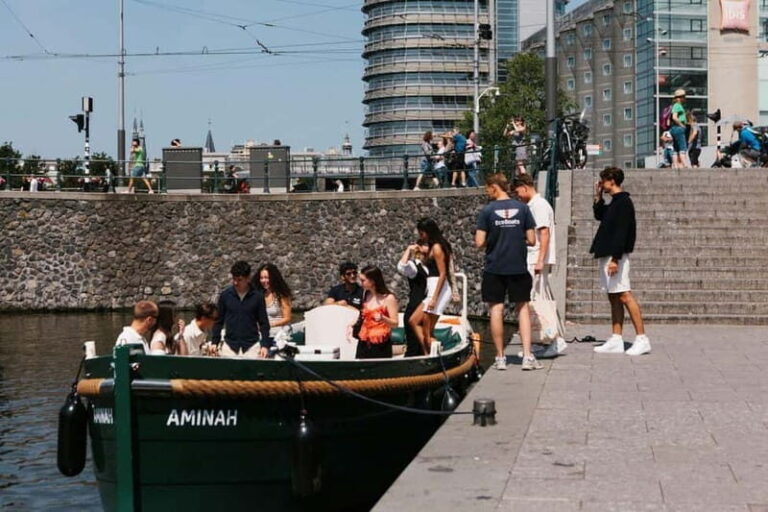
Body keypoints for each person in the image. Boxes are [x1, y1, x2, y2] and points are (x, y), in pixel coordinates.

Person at [475, 173, 539, 371]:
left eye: (487, 189)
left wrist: (494, 238)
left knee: (496, 309)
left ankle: (500, 358)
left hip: (494, 266)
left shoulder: (487, 211)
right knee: (523, 308)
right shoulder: (523, 208)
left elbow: (479, 242)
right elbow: (532, 240)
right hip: (517, 266)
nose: (487, 192)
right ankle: (527, 356)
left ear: (494, 187)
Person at [590, 167, 650, 356]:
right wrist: (598, 196)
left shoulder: (623, 202)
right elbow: (599, 215)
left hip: (615, 255)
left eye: (603, 181)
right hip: (607, 253)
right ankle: (616, 338)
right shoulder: (615, 202)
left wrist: (615, 259)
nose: (601, 184)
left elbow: (622, 233)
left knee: (624, 294)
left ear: (612, 180)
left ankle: (642, 338)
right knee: (613, 296)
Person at [513, 174, 566, 357]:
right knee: (536, 299)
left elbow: (544, 233)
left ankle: (554, 339)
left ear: (525, 187)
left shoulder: (539, 206)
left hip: (535, 258)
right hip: (534, 258)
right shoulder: (535, 205)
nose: (518, 196)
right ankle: (542, 340)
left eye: (518, 192)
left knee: (538, 300)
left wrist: (540, 259)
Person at [409, 218, 452, 355]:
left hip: (438, 289)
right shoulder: (433, 247)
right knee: (413, 321)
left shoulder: (438, 248)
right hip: (432, 287)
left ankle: (431, 355)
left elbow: (443, 273)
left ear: (428, 232)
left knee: (427, 331)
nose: (420, 236)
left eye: (422, 233)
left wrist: (434, 298)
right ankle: (427, 352)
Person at [212, 261, 272, 358]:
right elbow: (218, 321)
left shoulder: (258, 297)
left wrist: (265, 345)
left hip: (252, 347)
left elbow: (264, 323)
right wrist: (215, 342)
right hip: (229, 347)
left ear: (248, 278)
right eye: (234, 279)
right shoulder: (225, 296)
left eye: (239, 280)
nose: (235, 283)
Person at [355, 265, 398, 359]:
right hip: (364, 341)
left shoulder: (389, 298)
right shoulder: (366, 294)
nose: (361, 283)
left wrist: (383, 318)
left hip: (380, 343)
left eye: (363, 280)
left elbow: (395, 324)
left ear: (372, 281)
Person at [397, 241, 430, 357]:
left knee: (423, 345)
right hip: (414, 308)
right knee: (414, 346)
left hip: (426, 309)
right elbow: (401, 267)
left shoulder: (429, 267)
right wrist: (409, 249)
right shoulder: (414, 266)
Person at [254, 263, 293, 340]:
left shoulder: (282, 295)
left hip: (279, 333)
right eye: (261, 278)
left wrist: (270, 324)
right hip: (263, 332)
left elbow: (287, 318)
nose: (263, 280)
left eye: (266, 278)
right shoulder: (259, 294)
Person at [669, 89, 690, 168]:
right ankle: (685, 164)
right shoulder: (677, 105)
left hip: (674, 128)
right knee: (682, 147)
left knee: (676, 148)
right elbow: (674, 117)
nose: (685, 98)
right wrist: (682, 125)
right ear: (680, 98)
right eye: (684, 97)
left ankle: (675, 165)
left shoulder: (675, 105)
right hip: (678, 128)